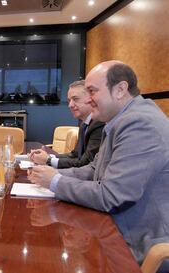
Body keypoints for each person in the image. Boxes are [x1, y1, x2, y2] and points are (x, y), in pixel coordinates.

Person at [28, 61, 169, 271]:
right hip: (115, 227)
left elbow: (111, 196)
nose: (88, 98)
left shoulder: (139, 124)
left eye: (92, 91)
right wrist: (54, 173)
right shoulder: (120, 119)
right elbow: (94, 169)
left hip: (137, 243)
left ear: (120, 89)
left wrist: (55, 181)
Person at [29, 80, 104, 168]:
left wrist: (49, 160)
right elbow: (75, 155)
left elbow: (86, 163)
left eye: (75, 99)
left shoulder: (99, 123)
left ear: (90, 99)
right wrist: (48, 156)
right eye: (69, 100)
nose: (70, 105)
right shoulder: (84, 124)